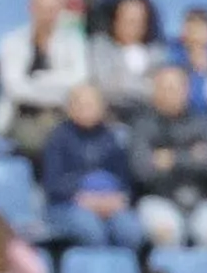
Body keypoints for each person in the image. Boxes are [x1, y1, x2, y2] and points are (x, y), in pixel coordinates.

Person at [130, 62, 207, 250]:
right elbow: (143, 172)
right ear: (155, 91)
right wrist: (192, 157)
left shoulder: (203, 123)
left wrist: (169, 159)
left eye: (176, 88)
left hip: (200, 200)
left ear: (187, 90)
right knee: (167, 231)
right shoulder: (142, 125)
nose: (171, 94)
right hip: (158, 199)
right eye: (165, 88)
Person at [41, 82, 142, 247]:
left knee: (130, 230)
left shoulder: (113, 138)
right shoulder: (57, 139)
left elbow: (125, 182)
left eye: (91, 104)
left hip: (109, 204)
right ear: (69, 108)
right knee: (91, 231)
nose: (86, 109)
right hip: (67, 205)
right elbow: (52, 185)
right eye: (80, 104)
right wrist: (84, 199)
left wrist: (116, 199)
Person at [0, 0, 87, 157]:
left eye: (53, 8)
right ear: (31, 8)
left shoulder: (73, 40)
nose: (48, 14)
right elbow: (15, 89)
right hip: (21, 116)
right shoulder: (12, 42)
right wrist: (57, 86)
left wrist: (38, 80)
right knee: (46, 142)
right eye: (43, 8)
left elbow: (78, 80)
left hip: (62, 114)